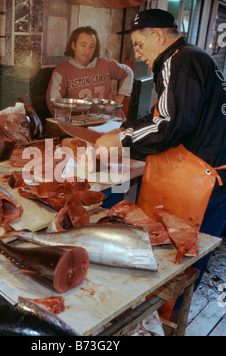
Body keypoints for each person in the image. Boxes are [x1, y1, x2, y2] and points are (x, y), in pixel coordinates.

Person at [95, 9, 226, 311]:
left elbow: (169, 125)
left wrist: (120, 140)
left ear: (158, 34)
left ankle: (155, 322)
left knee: (176, 263)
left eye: (140, 45)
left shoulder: (179, 61)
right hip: (210, 176)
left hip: (199, 182)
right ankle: (162, 319)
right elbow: (163, 114)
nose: (138, 55)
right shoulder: (192, 56)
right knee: (186, 260)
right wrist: (126, 128)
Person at [46, 26, 134, 120]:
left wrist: (121, 95)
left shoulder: (106, 64)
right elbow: (53, 102)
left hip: (114, 120)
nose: (87, 51)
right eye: (83, 45)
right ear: (73, 45)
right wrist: (67, 121)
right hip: (84, 125)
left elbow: (128, 72)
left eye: (91, 46)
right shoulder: (61, 70)